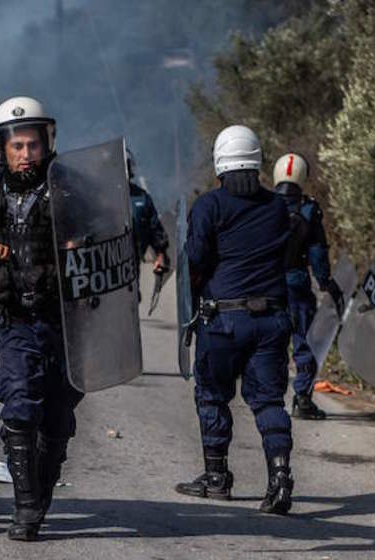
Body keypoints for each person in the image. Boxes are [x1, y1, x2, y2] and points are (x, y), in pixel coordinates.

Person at [0, 96, 84, 541]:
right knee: (20, 405)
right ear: (1, 147)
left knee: (57, 417)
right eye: (16, 146)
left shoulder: (70, 189)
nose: (25, 154)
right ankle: (24, 508)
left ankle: (39, 499)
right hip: (15, 316)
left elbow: (105, 240)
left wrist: (79, 246)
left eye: (32, 145)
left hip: (66, 320)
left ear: (46, 143)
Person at [175, 125, 295, 515]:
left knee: (212, 396)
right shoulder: (279, 207)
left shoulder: (209, 207)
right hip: (271, 320)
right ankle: (279, 478)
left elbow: (194, 262)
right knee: (269, 401)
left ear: (219, 164)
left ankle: (216, 478)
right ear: (259, 162)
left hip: (223, 321)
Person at [273, 153, 343, 419]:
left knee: (271, 343)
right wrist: (325, 283)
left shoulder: (264, 205)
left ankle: (270, 396)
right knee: (305, 343)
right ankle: (302, 398)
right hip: (298, 286)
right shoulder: (309, 210)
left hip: (268, 286)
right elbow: (317, 253)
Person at [127, 149, 169, 281]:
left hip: (132, 270)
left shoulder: (141, 197)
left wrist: (160, 255)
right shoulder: (101, 199)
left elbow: (155, 228)